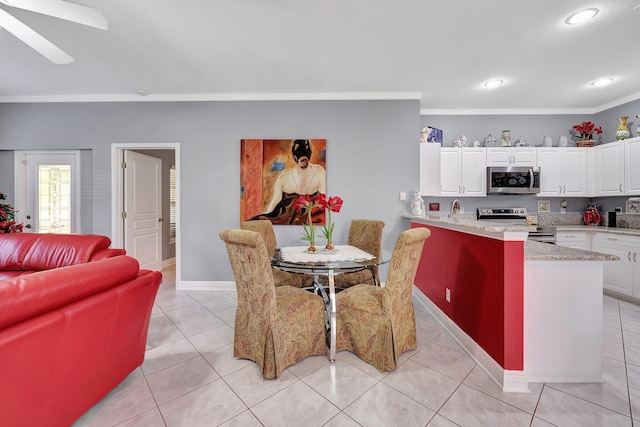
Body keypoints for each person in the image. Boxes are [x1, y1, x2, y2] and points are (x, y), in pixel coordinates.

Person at [250, 139, 326, 225]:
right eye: (300, 155)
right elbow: (273, 204)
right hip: (283, 218)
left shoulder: (319, 171)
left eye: (304, 154)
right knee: (254, 222)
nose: (303, 161)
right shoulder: (284, 177)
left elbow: (323, 200)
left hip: (307, 219)